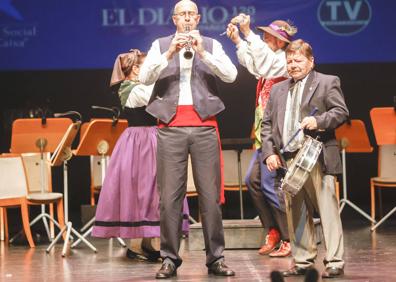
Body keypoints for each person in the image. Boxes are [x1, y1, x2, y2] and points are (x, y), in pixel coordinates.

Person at [139, 0, 237, 279]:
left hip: (205, 126)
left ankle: (215, 259)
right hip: (170, 128)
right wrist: (169, 52)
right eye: (181, 14)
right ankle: (169, 258)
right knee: (169, 198)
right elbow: (145, 78)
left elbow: (231, 76)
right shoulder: (160, 45)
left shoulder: (210, 45)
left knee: (210, 198)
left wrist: (203, 53)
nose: (186, 19)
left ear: (198, 18)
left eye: (190, 14)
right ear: (174, 19)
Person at [261, 39, 348, 278]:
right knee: (296, 211)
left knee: (327, 209)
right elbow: (266, 124)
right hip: (288, 159)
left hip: (316, 154)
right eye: (289, 61)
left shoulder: (327, 82)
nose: (293, 65)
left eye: (298, 60)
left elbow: (341, 112)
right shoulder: (278, 89)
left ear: (311, 61)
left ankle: (334, 261)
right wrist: (269, 152)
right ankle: (302, 261)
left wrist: (318, 122)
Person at [91, 49, 190, 261]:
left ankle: (148, 243)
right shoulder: (130, 89)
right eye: (145, 66)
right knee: (142, 189)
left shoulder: (141, 86)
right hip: (140, 142)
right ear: (136, 69)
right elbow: (154, 95)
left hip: (152, 138)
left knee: (155, 189)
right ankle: (135, 246)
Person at [226, 15, 297, 257]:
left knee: (269, 183)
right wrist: (238, 41)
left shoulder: (283, 62)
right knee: (253, 181)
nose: (264, 38)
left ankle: (289, 237)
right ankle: (273, 230)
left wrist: (248, 34)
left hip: (277, 135)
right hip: (263, 134)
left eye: (269, 36)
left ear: (280, 42)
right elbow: (255, 65)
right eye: (263, 34)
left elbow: (264, 63)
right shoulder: (269, 61)